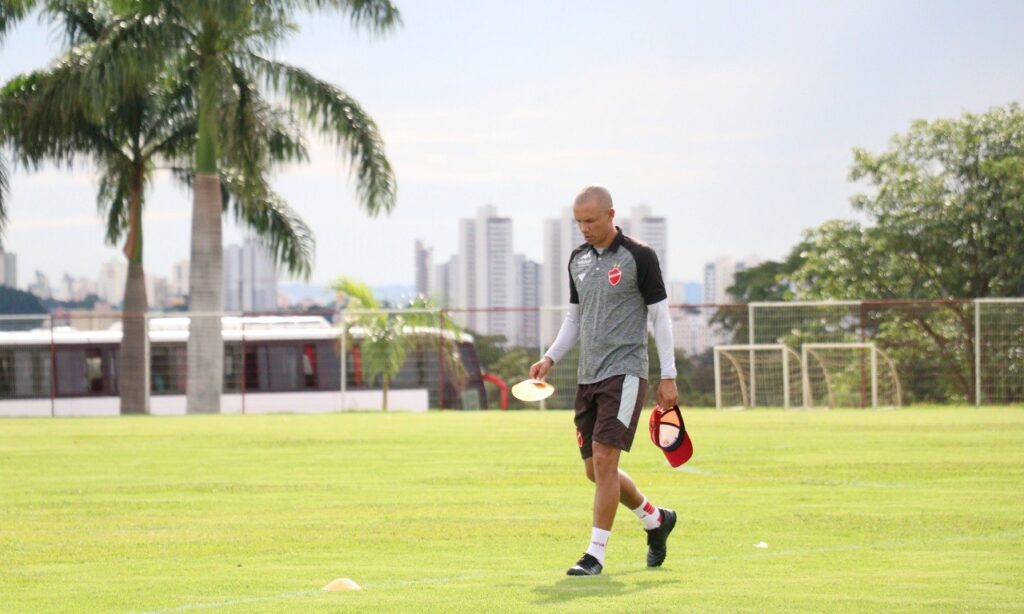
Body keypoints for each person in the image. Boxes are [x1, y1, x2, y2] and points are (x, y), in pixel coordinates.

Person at [530, 185, 679, 576]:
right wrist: (550, 357)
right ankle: (655, 519)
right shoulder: (577, 260)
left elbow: (660, 318)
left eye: (591, 220)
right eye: (578, 221)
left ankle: (594, 555)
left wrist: (669, 375)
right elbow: (574, 319)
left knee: (605, 460)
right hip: (588, 376)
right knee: (595, 471)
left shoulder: (639, 256)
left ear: (611, 215)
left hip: (626, 371)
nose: (584, 228)